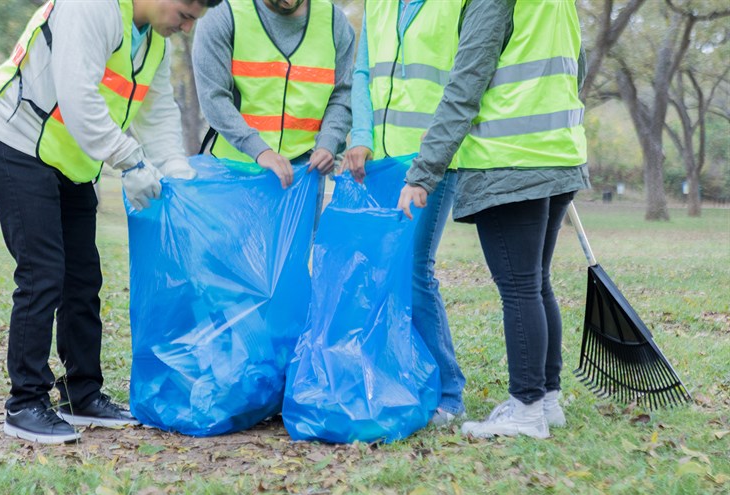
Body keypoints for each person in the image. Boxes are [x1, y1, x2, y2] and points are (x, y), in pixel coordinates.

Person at [0, 0, 222, 445]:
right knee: (42, 272)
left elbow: (159, 111)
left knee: (83, 278)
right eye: (186, 14)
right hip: (17, 144)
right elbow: (78, 97)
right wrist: (131, 161)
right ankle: (25, 402)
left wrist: (174, 172)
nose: (186, 27)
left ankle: (82, 394)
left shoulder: (152, 43)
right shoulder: (94, 8)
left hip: (71, 162)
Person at [397, 0, 590, 439]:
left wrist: (424, 172)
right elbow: (579, 66)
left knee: (520, 287)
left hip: (510, 161)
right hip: (559, 153)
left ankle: (525, 412)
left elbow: (466, 83)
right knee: (536, 281)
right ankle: (546, 401)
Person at [340, 0, 467, 426]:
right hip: (381, 158)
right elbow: (362, 72)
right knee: (384, 269)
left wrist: (432, 159)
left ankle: (449, 393)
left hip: (432, 160)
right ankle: (402, 376)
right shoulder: (377, 4)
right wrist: (360, 135)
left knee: (414, 269)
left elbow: (463, 81)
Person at [192, 0, 354, 194]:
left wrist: (329, 143)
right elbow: (214, 97)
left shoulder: (335, 22)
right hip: (235, 172)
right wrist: (259, 150)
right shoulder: (224, 13)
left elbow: (343, 93)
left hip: (304, 175)